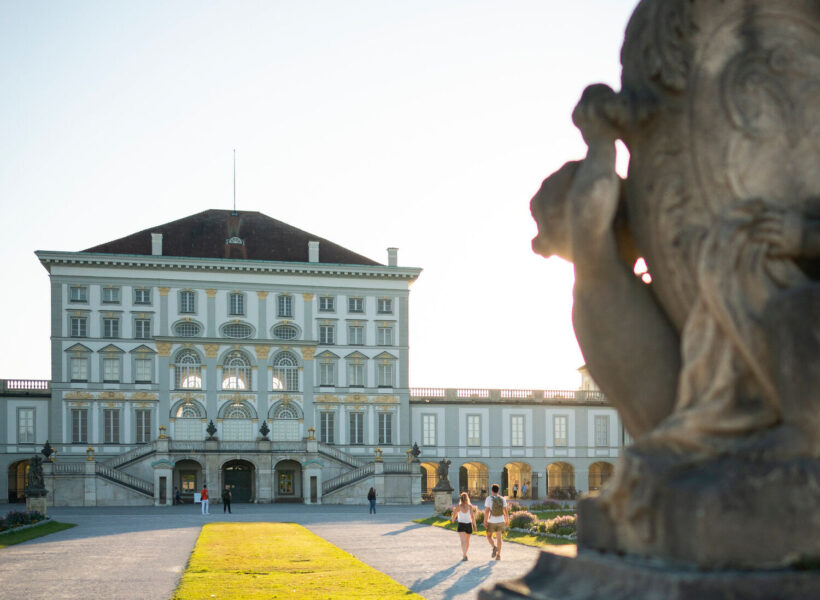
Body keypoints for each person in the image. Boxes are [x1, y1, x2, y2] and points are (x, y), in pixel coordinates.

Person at [484, 483, 509, 560]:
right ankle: (498, 555)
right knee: (499, 538)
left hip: (492, 520)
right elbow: (505, 511)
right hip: (501, 520)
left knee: (488, 536)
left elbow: (487, 511)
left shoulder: (489, 499)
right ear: (498, 490)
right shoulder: (502, 499)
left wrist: (485, 520)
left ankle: (494, 547)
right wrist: (507, 519)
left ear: (492, 490)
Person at [450, 492, 477, 561]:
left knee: (463, 541)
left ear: (461, 499)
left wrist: (452, 520)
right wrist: (475, 526)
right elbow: (472, 517)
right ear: (467, 498)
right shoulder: (470, 506)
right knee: (467, 541)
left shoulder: (458, 506)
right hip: (468, 524)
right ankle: (465, 554)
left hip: (461, 524)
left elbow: (454, 515)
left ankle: (464, 555)